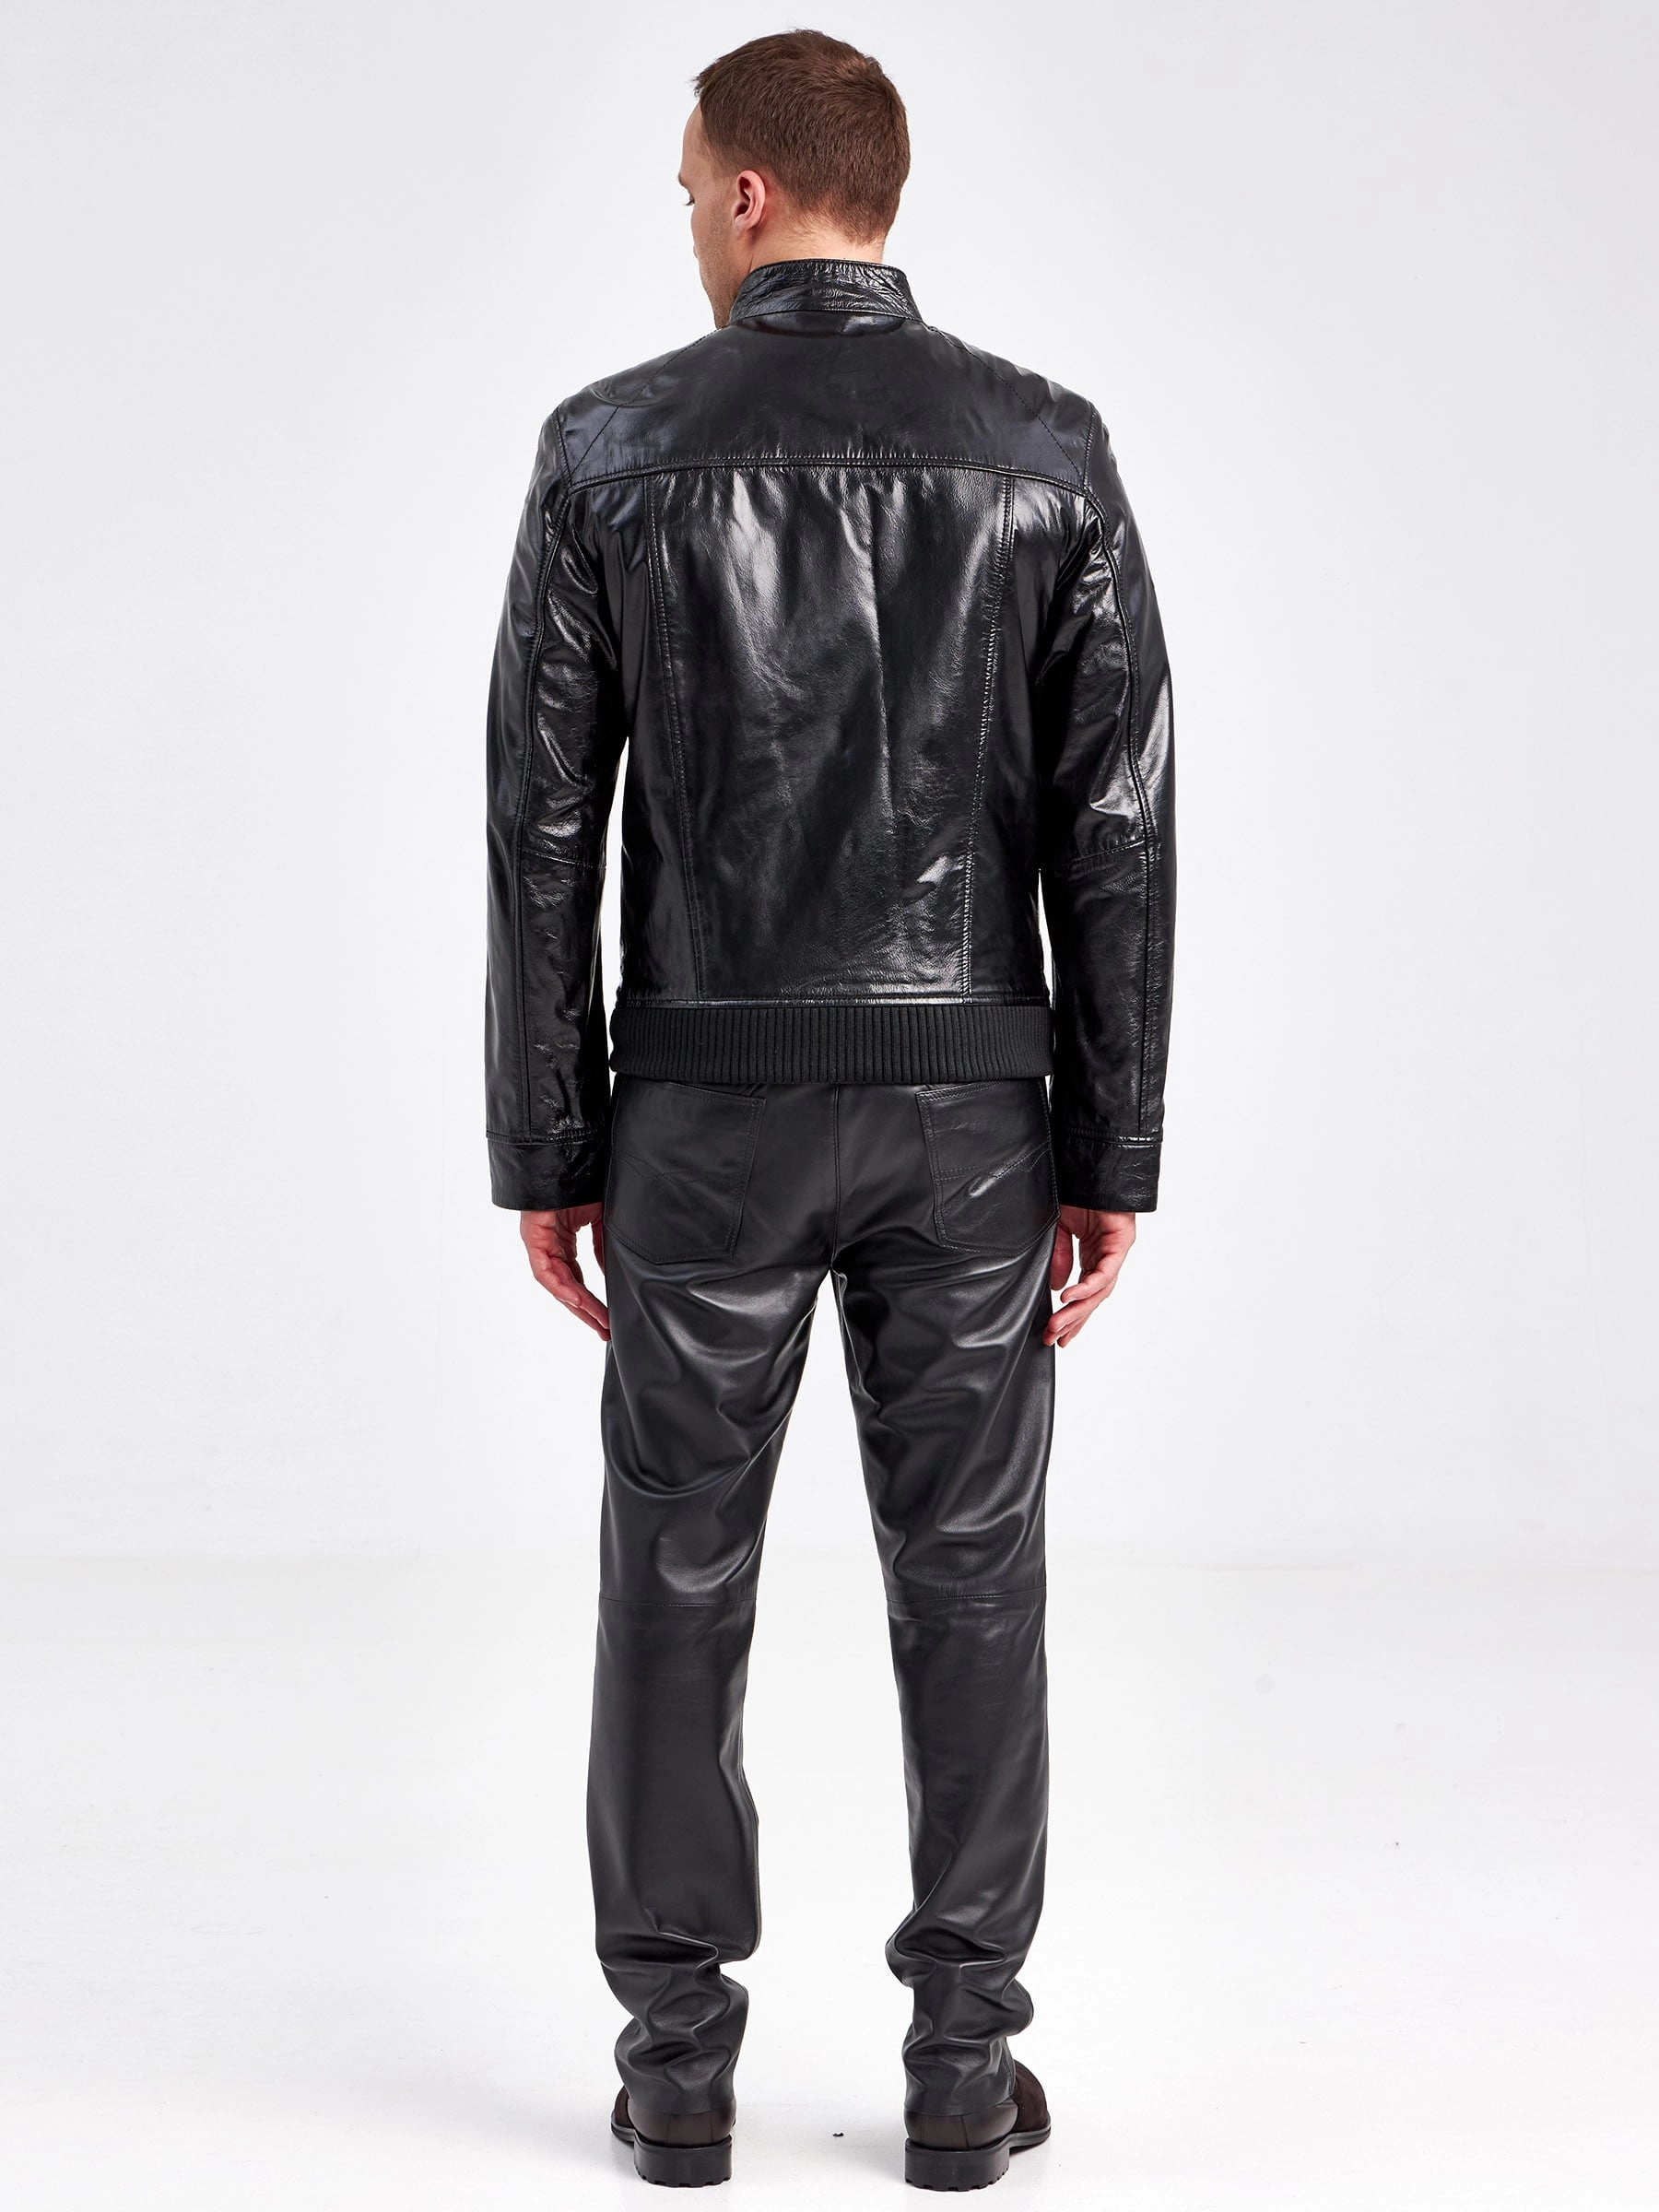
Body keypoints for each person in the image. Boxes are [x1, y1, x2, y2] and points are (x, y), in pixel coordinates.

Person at [484, 27, 1174, 2191]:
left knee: (675, 1570)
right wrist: (1110, 1149)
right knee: (972, 1575)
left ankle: (676, 2067)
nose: (685, 220)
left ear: (753, 192)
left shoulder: (610, 450)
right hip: (972, 1114)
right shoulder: (1041, 449)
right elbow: (1118, 823)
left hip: (703, 1108)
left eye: (689, 186)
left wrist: (549, 1143)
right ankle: (963, 2070)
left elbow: (541, 827)